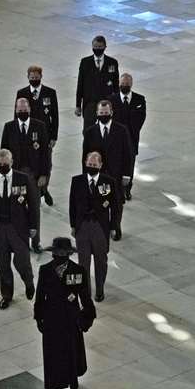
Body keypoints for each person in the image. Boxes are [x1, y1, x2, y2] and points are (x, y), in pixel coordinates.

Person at [33, 237, 95, 389]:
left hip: (71, 319)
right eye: (56, 253)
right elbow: (40, 296)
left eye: (62, 253)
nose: (58, 256)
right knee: (53, 356)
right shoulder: (45, 270)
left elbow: (85, 296)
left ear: (68, 254)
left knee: (72, 350)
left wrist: (86, 318)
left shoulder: (78, 271)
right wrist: (39, 317)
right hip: (52, 319)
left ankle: (73, 377)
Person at [0, 148, 36, 308]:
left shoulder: (23, 178)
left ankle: (28, 282)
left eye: (5, 164)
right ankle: (6, 295)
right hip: (0, 228)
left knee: (22, 261)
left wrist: (33, 226)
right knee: (2, 264)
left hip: (18, 228)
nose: (2, 166)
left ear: (11, 163)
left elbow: (33, 204)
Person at [1, 95, 53, 245]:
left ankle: (36, 242)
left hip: (34, 176)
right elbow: (4, 153)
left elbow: (45, 154)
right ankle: (22, 239)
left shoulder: (39, 126)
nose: (22, 111)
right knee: (18, 209)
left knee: (35, 209)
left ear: (29, 109)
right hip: (16, 176)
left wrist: (44, 174)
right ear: (16, 110)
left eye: (25, 109)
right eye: (19, 109)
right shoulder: (9, 127)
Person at [70, 150, 119, 302]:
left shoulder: (108, 182)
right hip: (83, 227)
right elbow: (72, 205)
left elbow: (115, 206)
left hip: (100, 227)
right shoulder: (77, 181)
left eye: (94, 164)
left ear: (100, 165)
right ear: (85, 163)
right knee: (83, 262)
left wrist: (113, 227)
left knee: (101, 261)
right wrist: (73, 225)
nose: (92, 167)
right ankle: (85, 290)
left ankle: (99, 289)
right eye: (89, 164)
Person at [112, 72, 148, 202]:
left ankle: (127, 189)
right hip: (116, 139)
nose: (124, 85)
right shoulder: (112, 99)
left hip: (131, 138)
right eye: (122, 84)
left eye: (127, 84)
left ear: (131, 84)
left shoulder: (139, 99)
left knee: (130, 163)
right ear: (119, 84)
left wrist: (131, 130)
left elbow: (141, 117)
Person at [16, 64, 60, 152]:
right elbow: (16, 115)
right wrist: (18, 135)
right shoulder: (22, 93)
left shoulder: (50, 93)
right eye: (32, 78)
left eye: (36, 77)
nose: (34, 80)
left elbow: (55, 116)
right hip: (27, 132)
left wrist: (54, 137)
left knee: (45, 161)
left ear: (41, 76)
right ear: (28, 77)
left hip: (45, 133)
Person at [74, 35, 120, 119]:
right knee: (89, 130)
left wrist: (117, 104)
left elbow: (116, 85)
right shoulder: (85, 62)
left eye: (100, 47)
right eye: (95, 46)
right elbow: (80, 84)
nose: (97, 49)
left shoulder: (112, 62)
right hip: (89, 103)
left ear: (105, 47)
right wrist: (78, 105)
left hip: (107, 104)